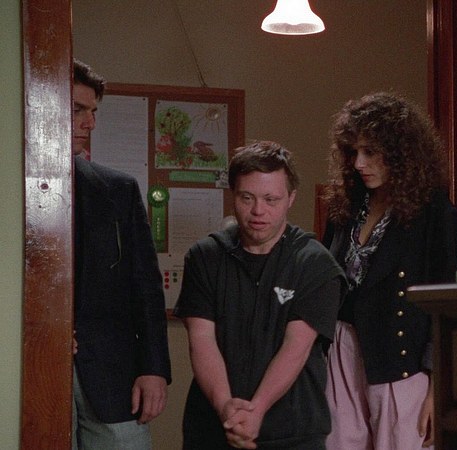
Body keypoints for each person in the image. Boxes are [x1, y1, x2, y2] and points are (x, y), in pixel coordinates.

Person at [174, 141, 346, 449]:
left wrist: (257, 410)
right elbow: (201, 340)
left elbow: (296, 347)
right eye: (247, 197)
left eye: (271, 199)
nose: (258, 211)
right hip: (211, 429)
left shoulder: (315, 264)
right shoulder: (204, 257)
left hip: (293, 434)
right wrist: (226, 407)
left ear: (291, 198)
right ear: (233, 195)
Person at [321, 92, 457, 449]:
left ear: (401, 152)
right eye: (354, 152)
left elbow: (446, 304)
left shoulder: (434, 212)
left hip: (401, 359)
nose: (359, 163)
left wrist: (438, 385)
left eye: (370, 152)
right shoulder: (346, 206)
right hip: (342, 350)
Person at [71, 59, 171, 449]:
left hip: (113, 373)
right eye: (77, 110)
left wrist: (154, 368)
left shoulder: (117, 190)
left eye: (93, 112)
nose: (90, 123)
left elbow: (146, 288)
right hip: (34, 365)